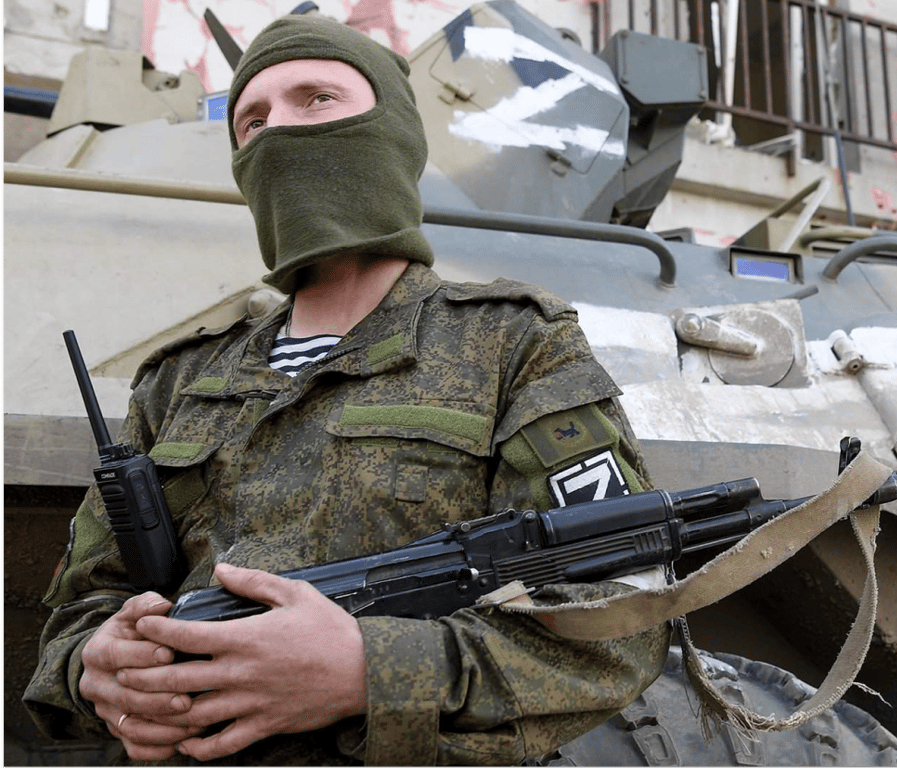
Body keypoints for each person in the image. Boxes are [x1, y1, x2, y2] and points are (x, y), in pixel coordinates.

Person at [24, 14, 670, 766]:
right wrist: (95, 667)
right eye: (252, 120)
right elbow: (81, 609)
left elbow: (617, 616)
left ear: (391, 131)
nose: (276, 131)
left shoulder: (513, 342)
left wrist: (369, 672)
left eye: (317, 99)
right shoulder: (178, 378)